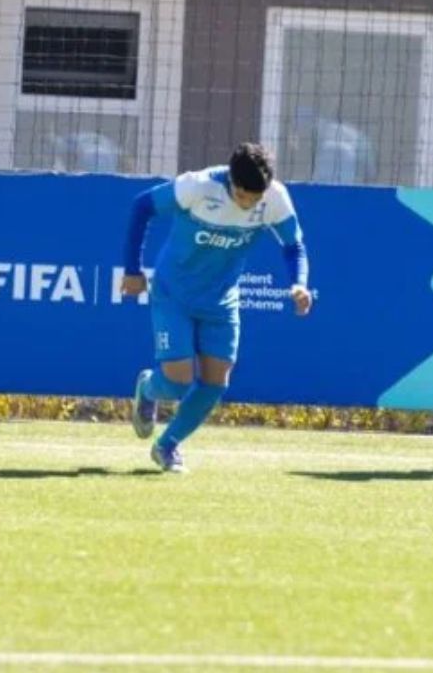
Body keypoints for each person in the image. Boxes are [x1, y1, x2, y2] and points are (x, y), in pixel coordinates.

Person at [123, 142, 311, 473]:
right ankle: (148, 389)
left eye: (256, 198)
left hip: (221, 301)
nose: (249, 204)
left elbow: (293, 245)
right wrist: (132, 269)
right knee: (177, 382)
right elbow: (142, 207)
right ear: (230, 181)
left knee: (216, 383)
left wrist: (299, 282)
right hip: (174, 295)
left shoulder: (274, 197)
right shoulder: (197, 186)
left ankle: (167, 446)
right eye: (243, 196)